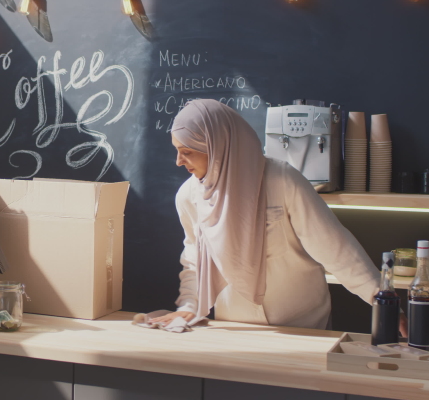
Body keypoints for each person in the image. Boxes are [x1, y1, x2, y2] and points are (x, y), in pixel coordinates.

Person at [150, 99, 407, 333]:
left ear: (218, 147)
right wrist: (188, 305)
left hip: (302, 327)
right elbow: (194, 259)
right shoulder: (189, 196)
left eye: (188, 151)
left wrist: (381, 298)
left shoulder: (282, 180)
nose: (178, 162)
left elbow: (334, 247)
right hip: (236, 328)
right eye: (177, 150)